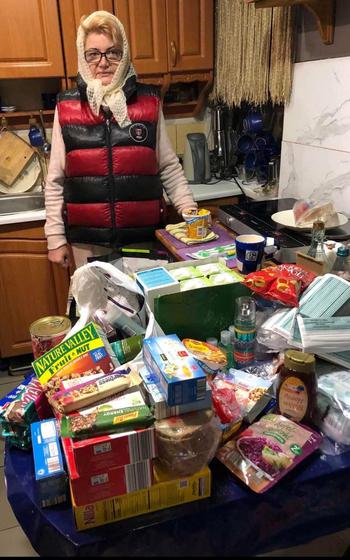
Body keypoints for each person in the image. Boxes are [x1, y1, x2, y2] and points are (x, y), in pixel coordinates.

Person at [45, 10, 197, 269]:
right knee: (94, 309)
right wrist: (55, 238)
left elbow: (168, 166)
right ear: (83, 58)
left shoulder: (149, 101)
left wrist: (189, 210)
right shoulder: (67, 106)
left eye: (112, 52)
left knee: (142, 306)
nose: (103, 62)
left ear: (124, 54)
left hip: (143, 238)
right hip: (87, 240)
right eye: (93, 54)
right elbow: (56, 180)